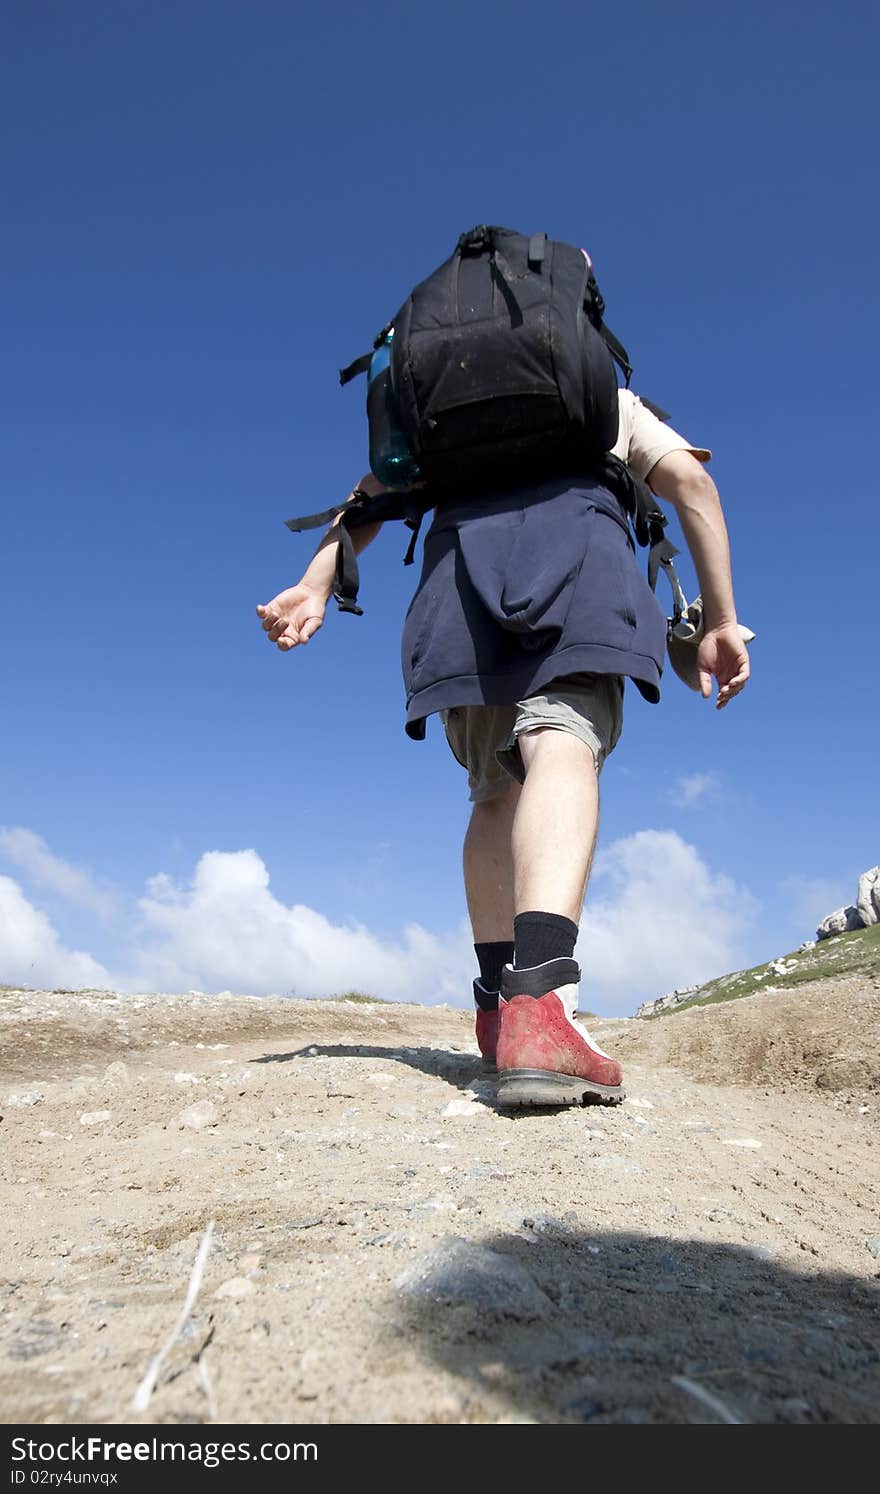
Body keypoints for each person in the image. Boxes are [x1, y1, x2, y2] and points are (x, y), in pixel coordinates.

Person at [257, 389, 750, 1108]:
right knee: (561, 743)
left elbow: (370, 496)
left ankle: (498, 1010)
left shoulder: (447, 403)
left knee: (494, 791)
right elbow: (693, 485)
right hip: (579, 574)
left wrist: (313, 583)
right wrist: (723, 620)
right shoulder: (601, 397)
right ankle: (543, 1004)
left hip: (460, 595)